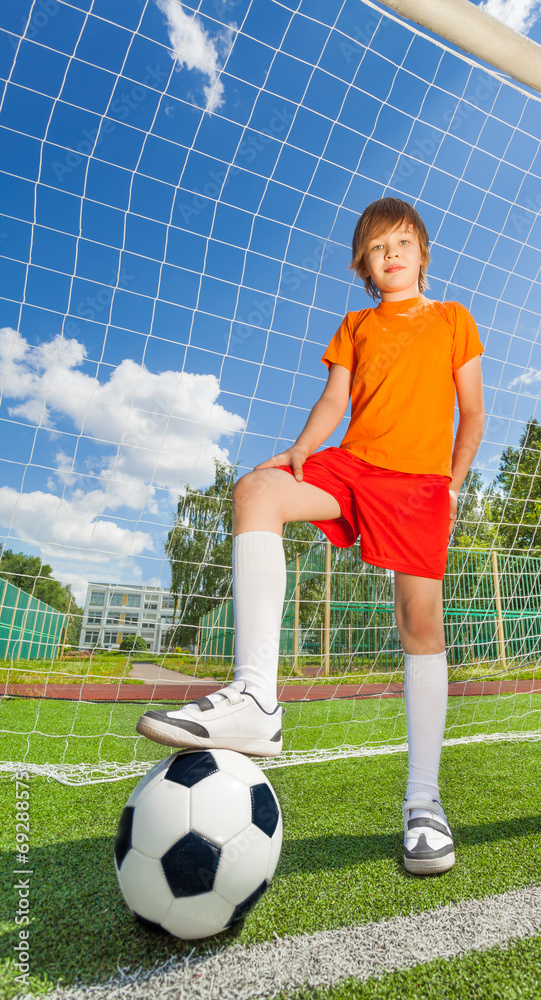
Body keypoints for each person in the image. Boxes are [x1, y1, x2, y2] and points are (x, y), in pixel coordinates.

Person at [137, 197, 485, 875]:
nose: (391, 256)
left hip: (418, 481)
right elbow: (334, 400)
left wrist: (451, 482)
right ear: (363, 262)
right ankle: (256, 698)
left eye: (402, 244)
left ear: (423, 253)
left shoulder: (452, 320)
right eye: (377, 247)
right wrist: (298, 450)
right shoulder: (354, 325)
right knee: (256, 491)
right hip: (353, 468)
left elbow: (471, 410)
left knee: (419, 621)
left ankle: (423, 802)